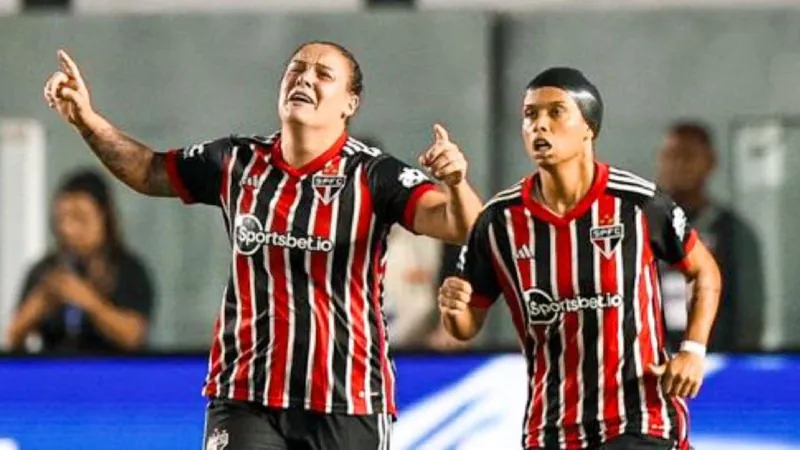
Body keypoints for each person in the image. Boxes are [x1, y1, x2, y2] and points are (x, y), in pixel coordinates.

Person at [43, 41, 482, 449]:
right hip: (244, 395)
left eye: (323, 74)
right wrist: (87, 120)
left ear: (351, 103)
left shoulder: (373, 175)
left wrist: (457, 183)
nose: (304, 79)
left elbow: (459, 224)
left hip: (347, 400)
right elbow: (148, 171)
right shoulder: (236, 161)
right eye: (296, 69)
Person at [437, 68, 722, 449]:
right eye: (530, 114)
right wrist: (454, 308)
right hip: (551, 425)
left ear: (589, 127)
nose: (540, 125)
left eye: (556, 112)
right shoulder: (499, 220)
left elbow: (704, 272)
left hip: (639, 416)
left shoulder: (637, 202)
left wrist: (693, 350)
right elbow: (467, 324)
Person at [5, 169, 154, 354]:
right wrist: (41, 303)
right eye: (61, 220)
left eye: (80, 219)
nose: (68, 230)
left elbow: (134, 336)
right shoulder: (44, 269)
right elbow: (13, 336)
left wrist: (88, 301)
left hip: (112, 373)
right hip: (56, 373)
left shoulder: (129, 270)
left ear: (104, 218)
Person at [656, 121, 765, 352]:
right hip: (652, 358)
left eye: (687, 156)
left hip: (715, 358)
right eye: (669, 155)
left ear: (710, 162)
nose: (677, 165)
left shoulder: (731, 231)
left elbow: (748, 309)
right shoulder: (643, 223)